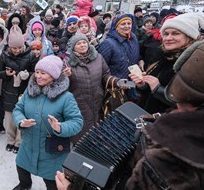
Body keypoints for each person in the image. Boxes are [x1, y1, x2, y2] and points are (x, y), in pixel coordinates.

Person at [55, 40, 204, 190]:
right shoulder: (67, 62)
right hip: (82, 105)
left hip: (97, 105)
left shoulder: (164, 155)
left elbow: (105, 75)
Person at [12, 55, 83, 190]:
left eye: (43, 73)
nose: (38, 76)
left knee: (52, 183)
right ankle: (25, 186)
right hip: (28, 146)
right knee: (21, 168)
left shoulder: (66, 98)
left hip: (52, 153)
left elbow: (77, 122)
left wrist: (60, 127)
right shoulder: (30, 91)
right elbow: (18, 109)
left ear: (54, 75)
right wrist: (21, 121)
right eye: (37, 72)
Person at [130, 13, 204, 114]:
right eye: (166, 33)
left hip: (170, 125)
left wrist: (158, 89)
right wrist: (143, 85)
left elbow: (194, 105)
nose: (168, 38)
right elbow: (149, 92)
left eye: (175, 33)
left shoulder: (195, 63)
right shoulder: (162, 56)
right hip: (146, 118)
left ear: (189, 36)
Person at [63, 34, 123, 143]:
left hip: (98, 101)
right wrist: (66, 76)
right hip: (79, 104)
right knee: (81, 138)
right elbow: (63, 86)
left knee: (98, 133)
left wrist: (116, 82)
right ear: (73, 47)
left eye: (84, 42)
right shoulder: (67, 62)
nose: (82, 45)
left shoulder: (98, 57)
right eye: (78, 43)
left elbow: (105, 75)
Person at [0, 25, 38, 154]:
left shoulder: (30, 55)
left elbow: (37, 72)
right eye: (14, 48)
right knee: (9, 119)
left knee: (22, 118)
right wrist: (5, 74)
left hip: (24, 92)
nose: (17, 50)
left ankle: (19, 142)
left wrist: (28, 75)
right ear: (9, 46)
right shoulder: (4, 56)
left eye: (19, 47)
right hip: (8, 91)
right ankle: (10, 140)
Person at [97, 14, 140, 101]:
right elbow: (100, 68)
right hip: (115, 88)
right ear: (116, 27)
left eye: (129, 23)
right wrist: (115, 81)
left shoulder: (134, 39)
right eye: (123, 24)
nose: (127, 26)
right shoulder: (108, 43)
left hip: (131, 85)